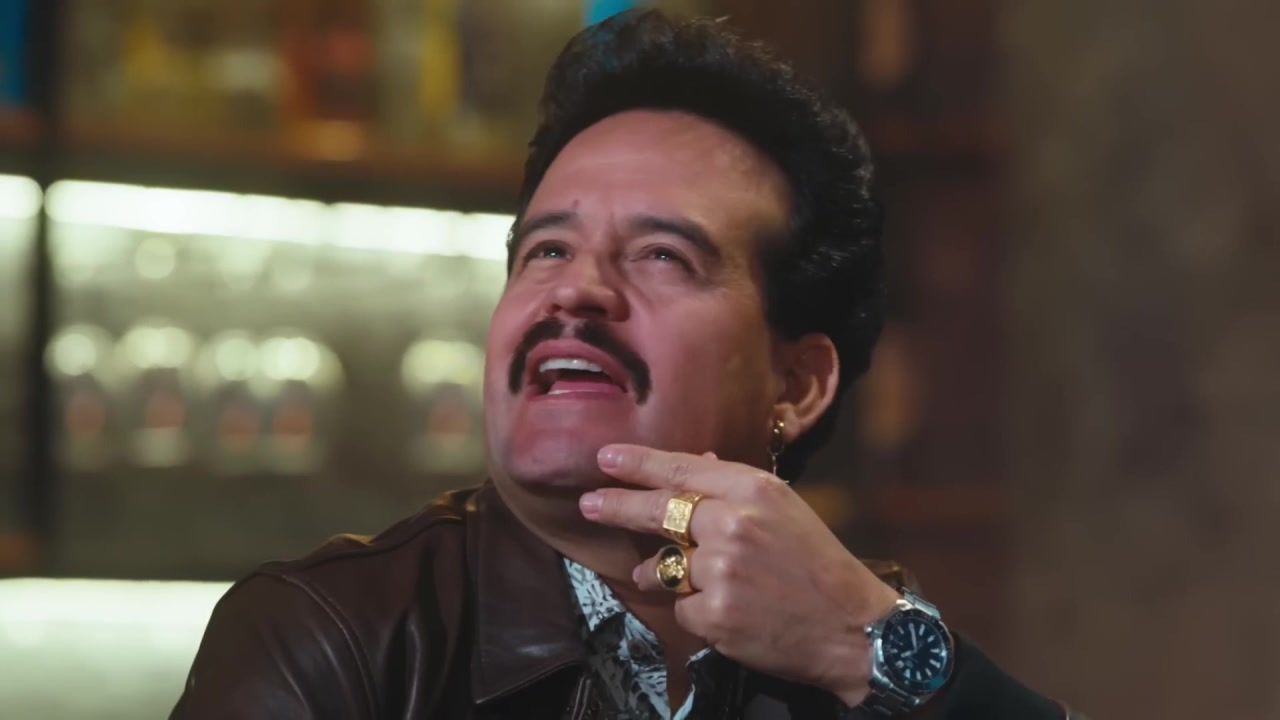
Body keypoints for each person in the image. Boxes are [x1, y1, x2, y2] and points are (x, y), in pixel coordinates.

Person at [172, 10, 1083, 720]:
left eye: (660, 256)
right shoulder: (330, 639)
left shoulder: (854, 628)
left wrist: (868, 650)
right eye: (547, 251)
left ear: (798, 384)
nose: (575, 291)